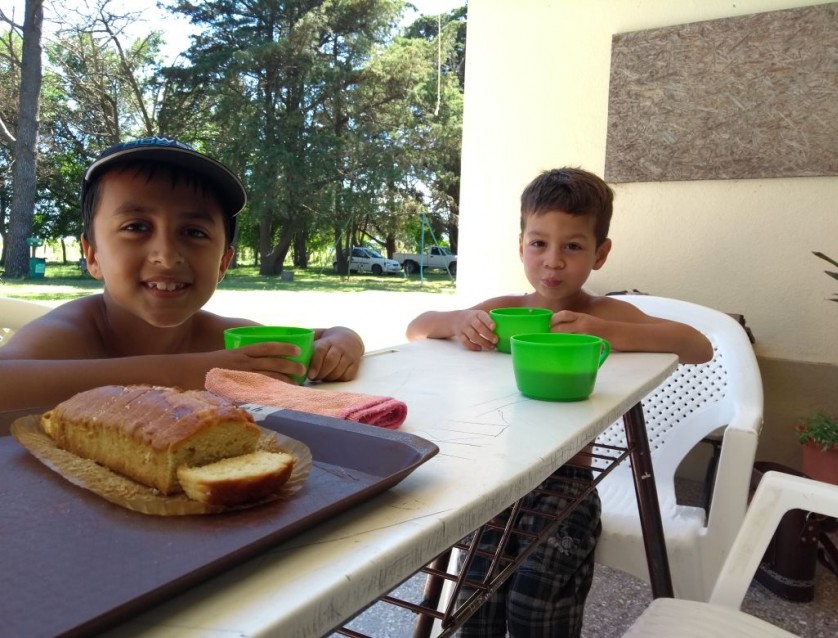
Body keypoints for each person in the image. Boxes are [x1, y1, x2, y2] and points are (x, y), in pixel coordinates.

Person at [406, 167, 713, 637]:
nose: (552, 262)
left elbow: (697, 345)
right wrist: (459, 321)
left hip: (564, 484)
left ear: (600, 253)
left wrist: (607, 332)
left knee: (538, 608)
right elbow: (418, 327)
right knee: (474, 609)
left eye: (572, 246)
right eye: (538, 243)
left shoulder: (603, 313)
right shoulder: (504, 310)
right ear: (521, 244)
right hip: (494, 478)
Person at [0, 136, 364, 412]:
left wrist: (343, 341)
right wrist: (186, 373)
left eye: (194, 232)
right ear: (92, 255)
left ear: (223, 263)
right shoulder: (72, 333)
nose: (167, 255)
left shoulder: (220, 338)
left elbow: (321, 336)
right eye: (136, 226)